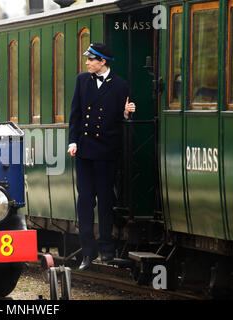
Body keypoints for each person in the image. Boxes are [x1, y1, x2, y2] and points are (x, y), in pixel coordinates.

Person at [67, 43, 136, 271]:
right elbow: (75, 114)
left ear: (102, 62)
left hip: (106, 152)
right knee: (85, 201)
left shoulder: (120, 85)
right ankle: (88, 252)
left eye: (91, 59)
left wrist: (126, 115)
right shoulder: (82, 80)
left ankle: (107, 250)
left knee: (106, 201)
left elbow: (121, 119)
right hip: (85, 151)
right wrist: (73, 141)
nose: (87, 63)